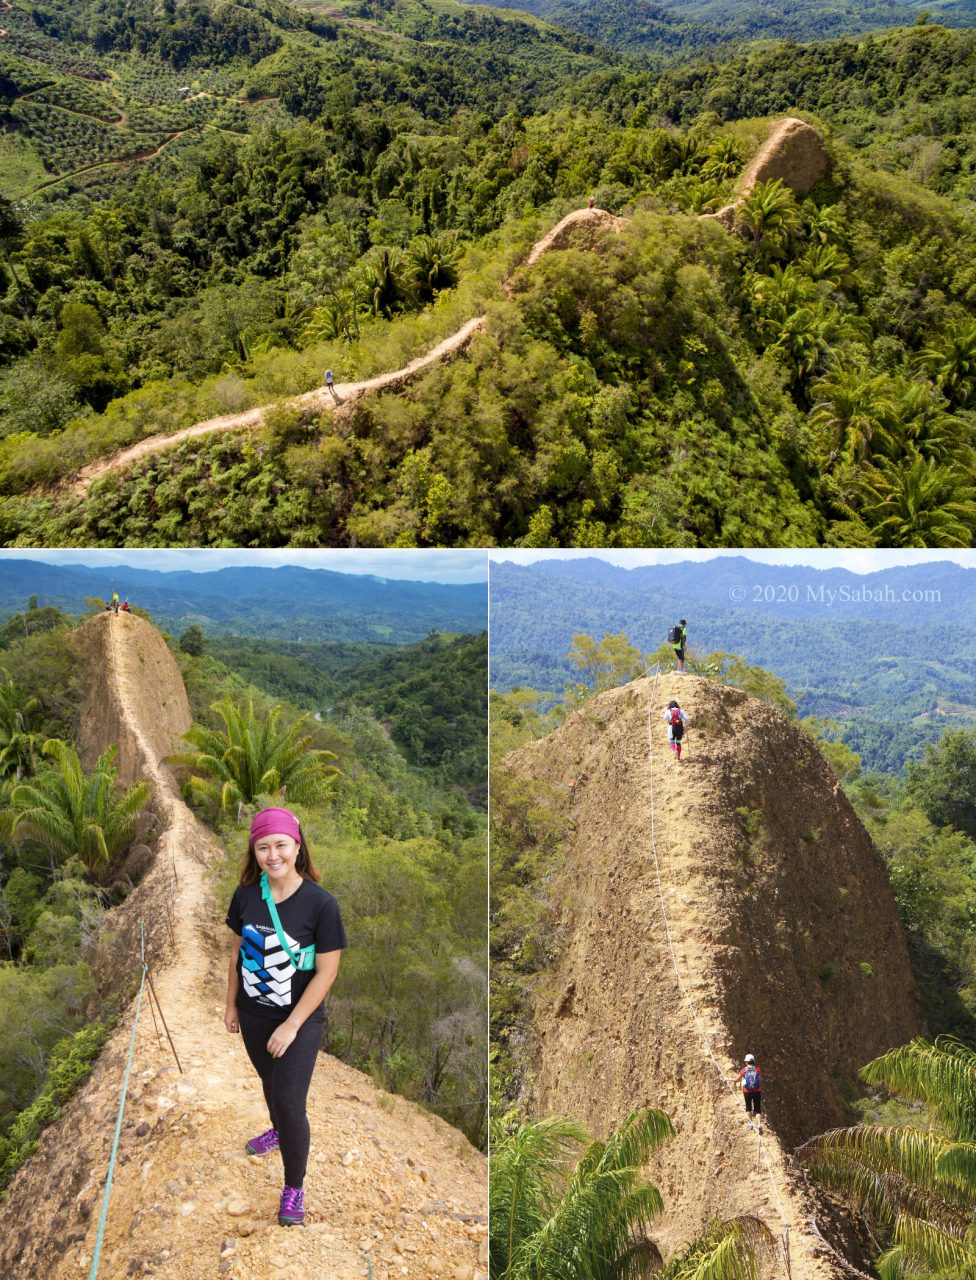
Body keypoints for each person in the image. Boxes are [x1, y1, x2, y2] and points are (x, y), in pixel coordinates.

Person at [225, 807, 347, 1227]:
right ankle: (275, 1132)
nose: (272, 854)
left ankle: (294, 1185)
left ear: (297, 846)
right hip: (253, 1013)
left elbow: (327, 972)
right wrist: (230, 1003)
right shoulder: (246, 895)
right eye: (263, 847)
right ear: (254, 851)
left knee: (290, 1102)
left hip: (298, 1020)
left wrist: (292, 1024)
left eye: (280, 845)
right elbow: (239, 953)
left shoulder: (320, 904)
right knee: (269, 1081)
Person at [736, 1053, 763, 1130]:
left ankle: (750, 1124)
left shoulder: (744, 1070)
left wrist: (728, 1079)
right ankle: (759, 1124)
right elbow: (760, 1078)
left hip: (747, 1091)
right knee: (757, 1109)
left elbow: (736, 1079)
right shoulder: (758, 1069)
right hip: (757, 1091)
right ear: (753, 1061)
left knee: (748, 1108)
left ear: (746, 1062)